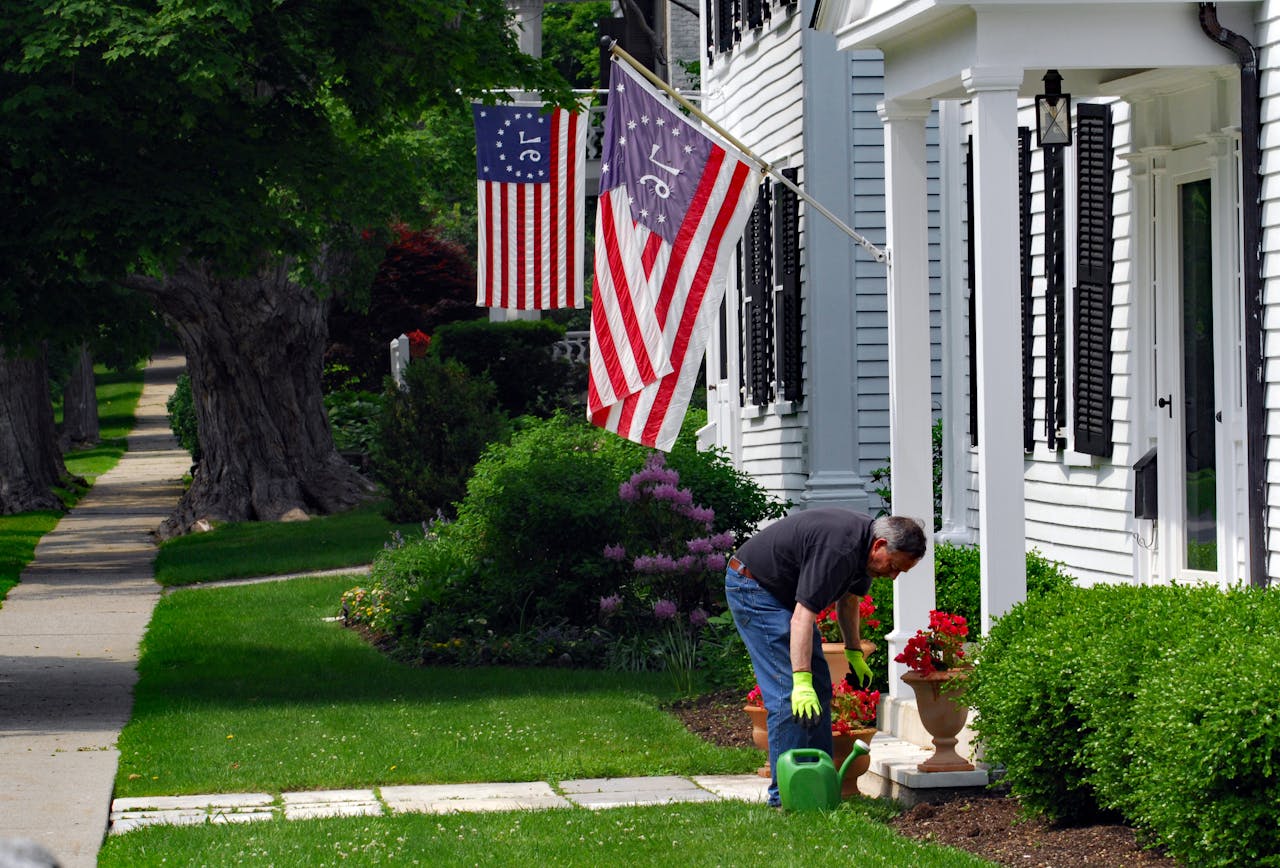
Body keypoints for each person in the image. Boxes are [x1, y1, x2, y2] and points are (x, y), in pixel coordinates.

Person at [725, 509, 926, 807]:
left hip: (781, 593)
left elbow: (849, 600)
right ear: (880, 545)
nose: (893, 575)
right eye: (894, 566)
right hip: (754, 587)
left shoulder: (865, 552)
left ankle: (819, 788)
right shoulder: (839, 550)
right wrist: (800, 680)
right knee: (788, 693)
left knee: (819, 687)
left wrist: (853, 651)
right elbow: (802, 618)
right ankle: (787, 799)